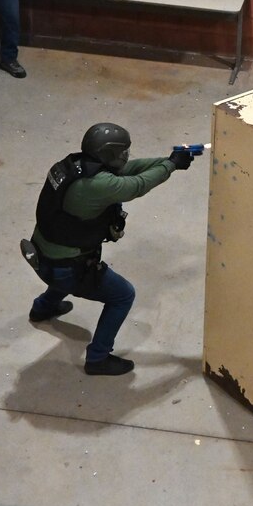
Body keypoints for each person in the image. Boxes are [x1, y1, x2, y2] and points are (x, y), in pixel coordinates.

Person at [25, 123, 196, 376]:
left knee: (71, 269)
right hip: (66, 268)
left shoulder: (74, 166)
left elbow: (127, 169)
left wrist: (168, 160)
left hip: (43, 255)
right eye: (122, 152)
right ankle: (98, 358)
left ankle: (42, 308)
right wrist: (170, 165)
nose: (126, 157)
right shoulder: (98, 185)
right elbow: (136, 184)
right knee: (122, 295)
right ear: (108, 153)